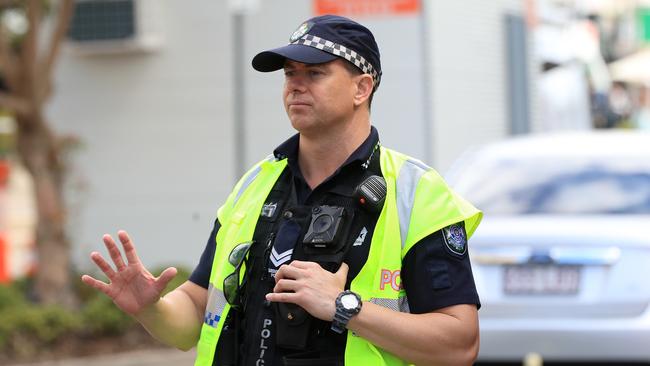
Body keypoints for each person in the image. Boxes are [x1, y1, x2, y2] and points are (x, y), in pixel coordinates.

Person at [82, 15, 483, 366]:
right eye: (290, 73)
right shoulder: (255, 184)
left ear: (362, 88)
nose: (295, 86)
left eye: (315, 73)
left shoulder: (417, 192)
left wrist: (345, 307)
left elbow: (459, 346)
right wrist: (150, 310)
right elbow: (193, 313)